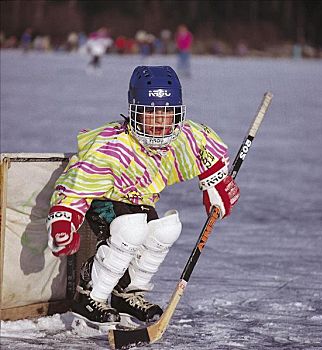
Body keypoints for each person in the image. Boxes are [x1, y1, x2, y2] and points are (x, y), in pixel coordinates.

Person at [46, 66, 240, 326]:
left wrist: (216, 184)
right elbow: (76, 183)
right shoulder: (112, 145)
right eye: (151, 112)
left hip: (141, 204)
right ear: (135, 111)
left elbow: (206, 151)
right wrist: (63, 220)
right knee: (131, 230)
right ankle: (90, 295)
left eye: (168, 113)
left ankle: (128, 292)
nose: (160, 121)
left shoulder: (183, 138)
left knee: (166, 229)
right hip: (104, 204)